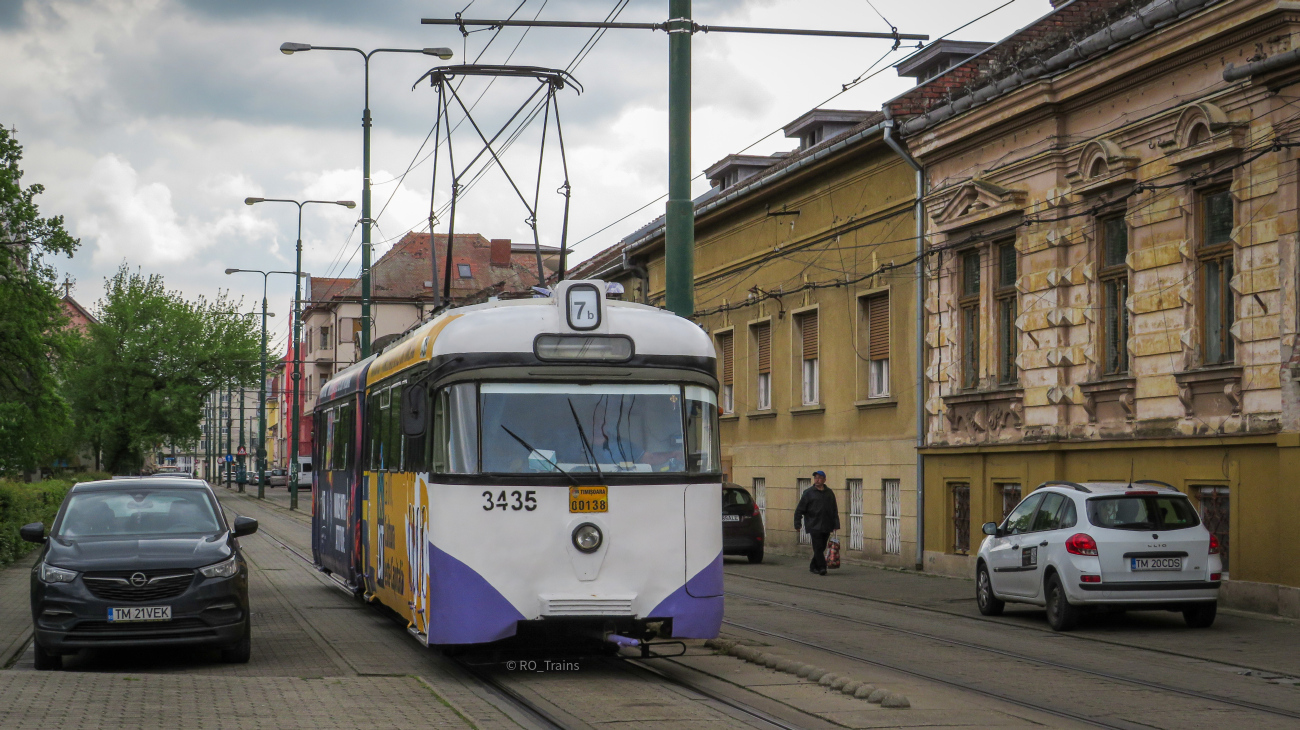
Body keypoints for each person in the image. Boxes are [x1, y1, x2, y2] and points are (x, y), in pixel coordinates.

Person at [793, 470, 840, 575]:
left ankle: (813, 566)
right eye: (816, 478)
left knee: (822, 547)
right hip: (813, 524)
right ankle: (822, 567)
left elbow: (834, 509)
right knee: (818, 547)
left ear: (824, 480)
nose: (817, 480)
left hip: (826, 524)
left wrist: (836, 524)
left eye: (819, 478)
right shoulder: (808, 493)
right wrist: (797, 523)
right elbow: (800, 509)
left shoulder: (829, 493)